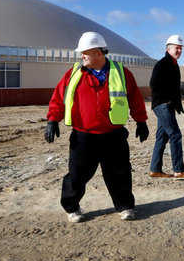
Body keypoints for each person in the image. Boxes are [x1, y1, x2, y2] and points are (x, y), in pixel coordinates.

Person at [44, 32, 149, 223]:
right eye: (82, 53)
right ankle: (72, 207)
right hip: (84, 136)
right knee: (76, 174)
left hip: (113, 135)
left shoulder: (121, 73)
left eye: (86, 52)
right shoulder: (74, 73)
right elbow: (59, 97)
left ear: (99, 53)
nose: (82, 56)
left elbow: (135, 98)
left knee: (119, 173)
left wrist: (141, 121)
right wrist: (52, 120)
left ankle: (125, 206)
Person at [148, 34, 184, 180]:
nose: (179, 51)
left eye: (181, 48)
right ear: (168, 48)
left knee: (162, 137)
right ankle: (179, 170)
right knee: (175, 135)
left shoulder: (173, 64)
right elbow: (153, 84)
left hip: (166, 104)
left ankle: (155, 169)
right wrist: (167, 100)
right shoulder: (163, 64)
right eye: (177, 48)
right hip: (163, 105)